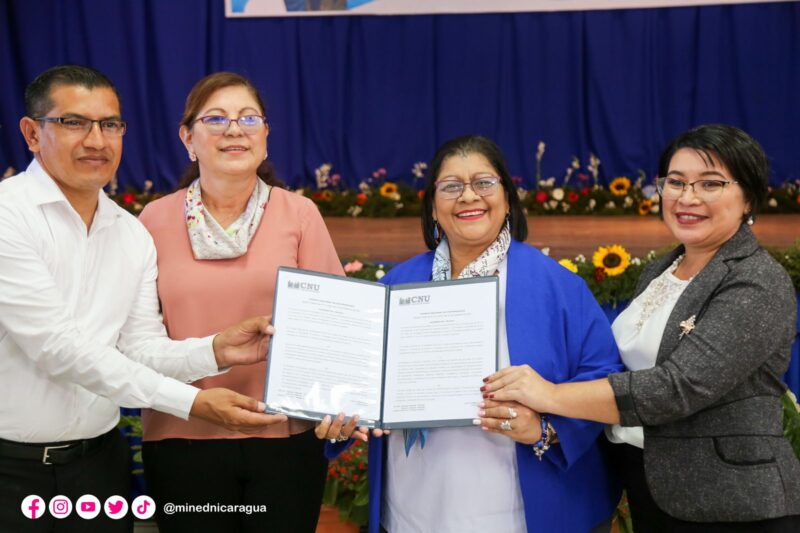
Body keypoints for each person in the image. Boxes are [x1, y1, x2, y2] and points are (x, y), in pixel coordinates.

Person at [0, 65, 287, 532]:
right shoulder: (7, 214)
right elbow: (57, 347)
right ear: (33, 133)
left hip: (99, 465)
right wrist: (193, 403)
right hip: (10, 469)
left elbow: (139, 347)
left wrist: (215, 350)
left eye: (110, 124)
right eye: (74, 123)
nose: (96, 140)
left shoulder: (129, 232)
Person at [482, 124, 800, 532]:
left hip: (731, 505)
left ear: (749, 198)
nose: (687, 198)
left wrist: (550, 396)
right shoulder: (661, 269)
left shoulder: (757, 280)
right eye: (676, 182)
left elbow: (677, 388)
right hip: (653, 489)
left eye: (710, 183)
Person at [317, 135, 625, 533]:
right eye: (450, 186)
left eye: (483, 182)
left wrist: (545, 430)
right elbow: (356, 382)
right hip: (415, 506)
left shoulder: (557, 286)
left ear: (508, 198)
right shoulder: (395, 286)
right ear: (432, 207)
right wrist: (340, 413)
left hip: (522, 510)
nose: (468, 196)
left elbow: (604, 377)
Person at [138, 72, 343, 533]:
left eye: (248, 118)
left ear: (265, 136)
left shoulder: (299, 214)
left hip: (283, 438)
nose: (235, 129)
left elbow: (335, 325)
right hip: (181, 436)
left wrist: (346, 402)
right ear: (187, 138)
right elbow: (137, 337)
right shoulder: (153, 220)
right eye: (216, 118)